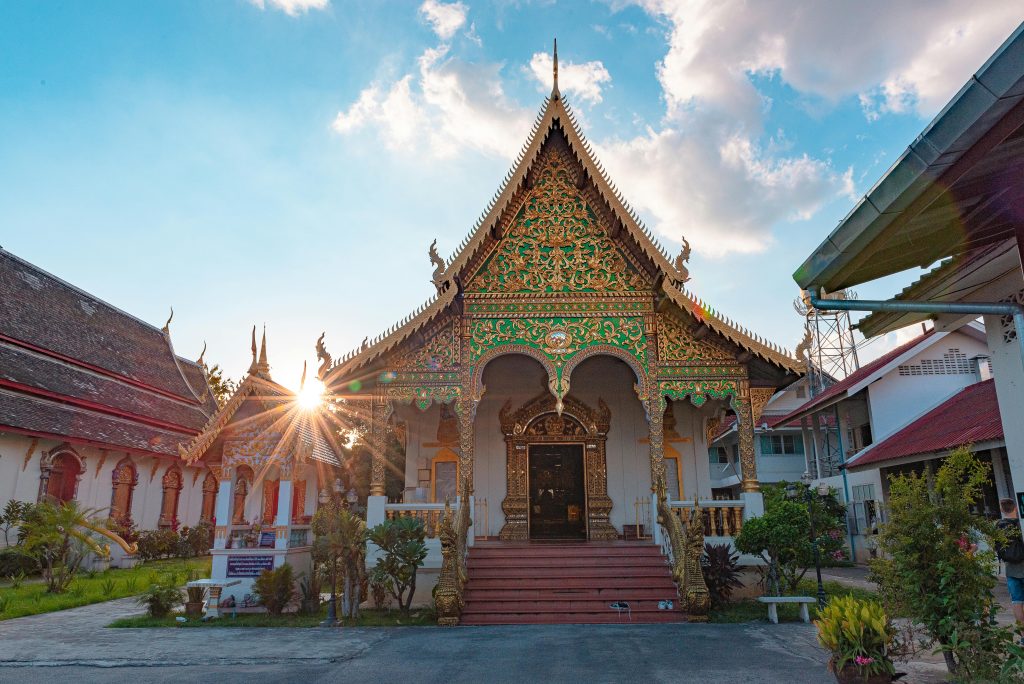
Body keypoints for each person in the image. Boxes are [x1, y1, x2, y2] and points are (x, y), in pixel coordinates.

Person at [996, 498, 1024, 627]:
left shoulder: (998, 525)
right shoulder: (1021, 523)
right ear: (1016, 508)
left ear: (1002, 509)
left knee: (1017, 602)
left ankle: (1023, 636)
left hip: (1011, 570)